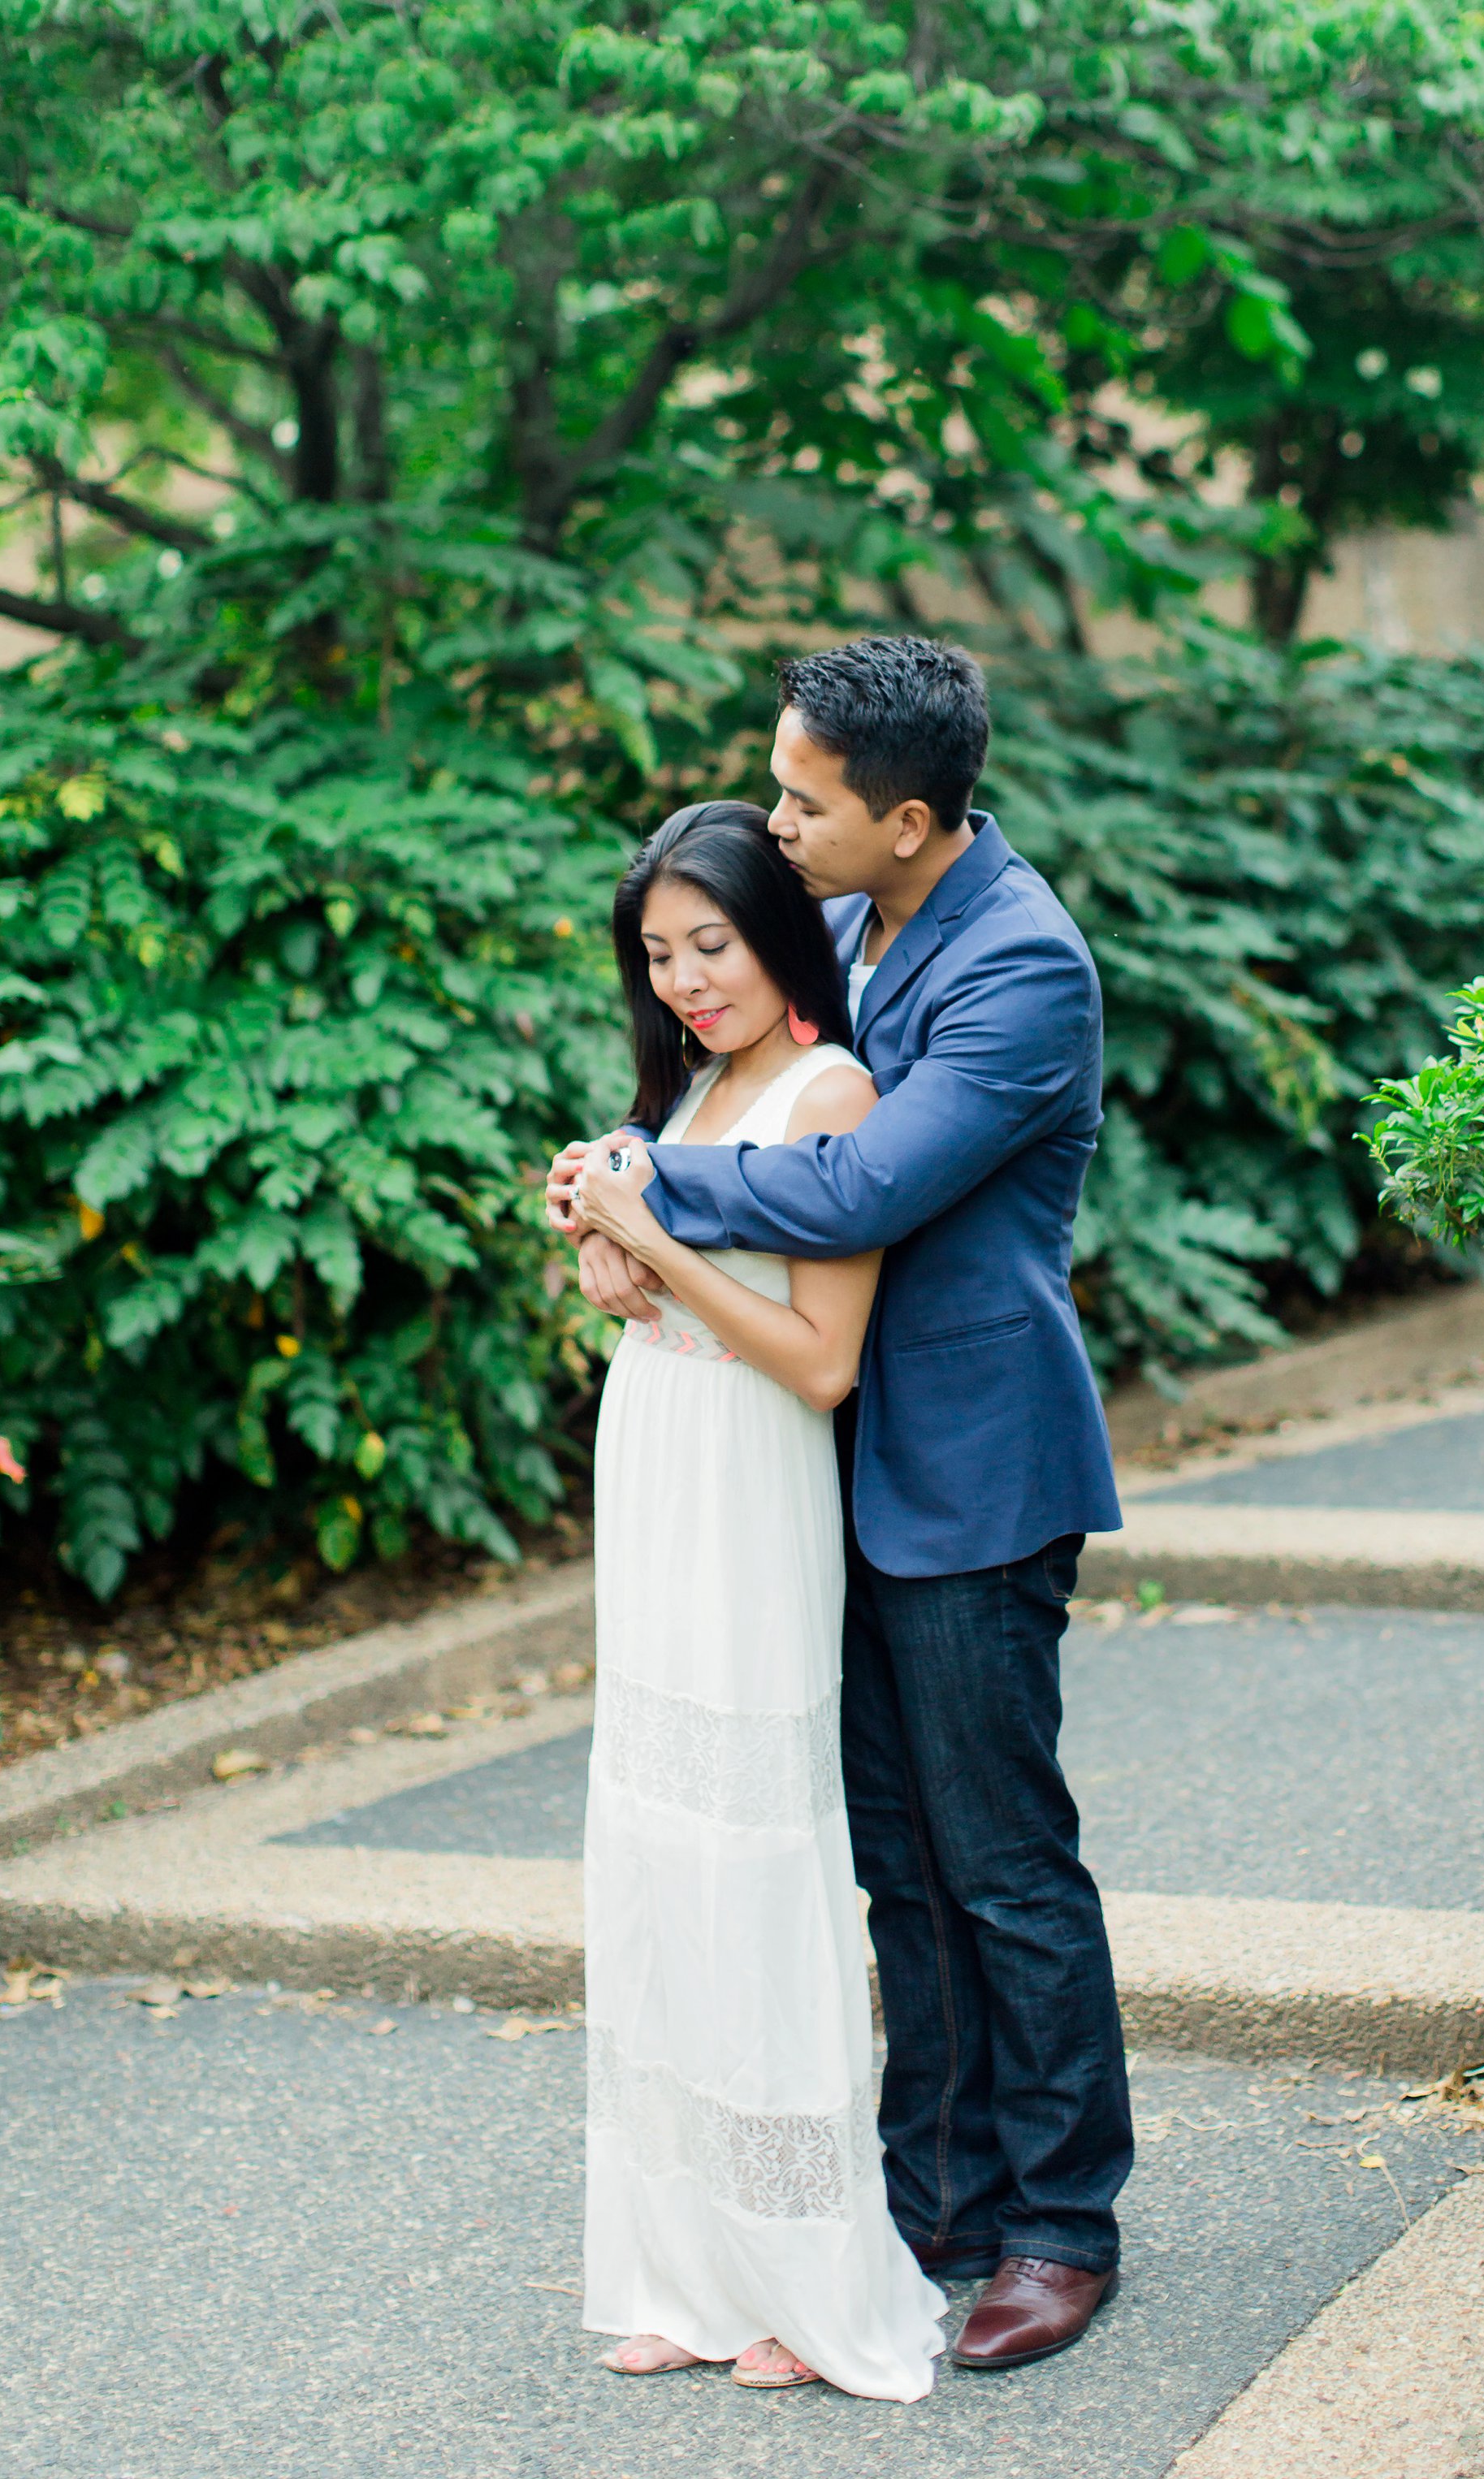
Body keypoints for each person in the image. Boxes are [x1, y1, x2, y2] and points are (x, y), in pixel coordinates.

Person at [553, 637, 1136, 2373]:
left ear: (903, 815)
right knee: (893, 1862)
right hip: (824, 1473)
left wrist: (640, 1175)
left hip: (968, 1468)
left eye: (802, 799)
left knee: (1002, 1861)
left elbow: (866, 1174)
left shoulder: (1022, 965)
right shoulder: (870, 918)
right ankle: (934, 2194)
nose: (775, 817)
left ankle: (1058, 2226)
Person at [569, 798, 946, 2400]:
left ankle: (803, 2272)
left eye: (708, 946)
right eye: (656, 959)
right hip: (654, 1456)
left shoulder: (824, 1090)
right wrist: (607, 1257)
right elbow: (674, 1294)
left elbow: (816, 1360)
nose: (682, 983)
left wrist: (651, 1227)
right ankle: (681, 2262)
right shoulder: (697, 1086)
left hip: (750, 1481)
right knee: (656, 1851)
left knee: (753, 1854)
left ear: (777, 938)